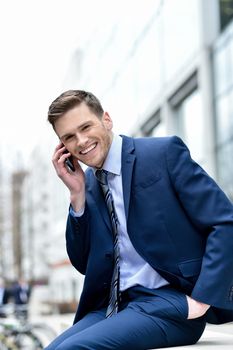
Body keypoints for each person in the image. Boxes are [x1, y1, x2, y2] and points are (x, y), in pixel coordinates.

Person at [45, 90, 233, 350]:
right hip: (116, 305)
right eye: (69, 137)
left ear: (106, 120)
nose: (81, 141)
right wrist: (76, 196)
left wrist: (202, 300)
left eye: (86, 126)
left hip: (171, 303)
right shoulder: (86, 184)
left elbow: (224, 222)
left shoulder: (163, 153)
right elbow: (82, 262)